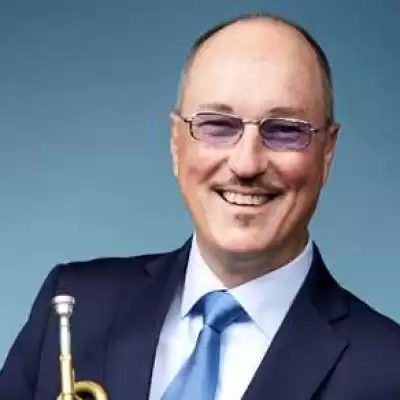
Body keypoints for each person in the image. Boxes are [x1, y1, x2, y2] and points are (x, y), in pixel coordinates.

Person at [1, 11, 400, 400]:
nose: (246, 164)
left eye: (284, 130)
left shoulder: (388, 369)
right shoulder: (73, 305)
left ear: (327, 152)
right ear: (176, 143)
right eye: (217, 125)